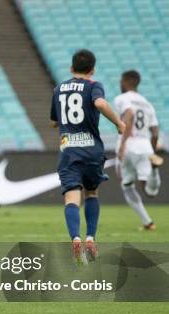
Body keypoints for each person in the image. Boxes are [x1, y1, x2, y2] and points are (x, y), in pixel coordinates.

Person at [50, 49, 125, 262]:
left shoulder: (59, 89)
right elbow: (100, 103)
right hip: (92, 150)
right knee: (92, 193)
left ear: (71, 68)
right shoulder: (93, 86)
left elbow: (54, 121)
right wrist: (118, 123)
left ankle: (75, 238)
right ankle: (90, 236)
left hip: (69, 151)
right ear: (92, 70)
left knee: (71, 197)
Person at [114, 70, 163, 230]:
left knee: (126, 185)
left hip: (128, 144)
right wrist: (153, 151)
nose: (120, 84)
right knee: (149, 192)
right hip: (145, 145)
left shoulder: (122, 99)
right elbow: (155, 132)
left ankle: (147, 221)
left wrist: (122, 145)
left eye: (121, 81)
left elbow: (129, 115)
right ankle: (154, 170)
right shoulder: (147, 103)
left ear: (127, 81)